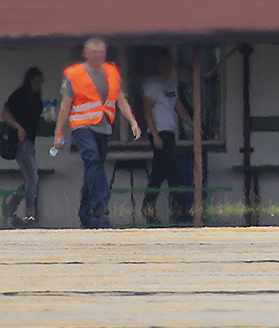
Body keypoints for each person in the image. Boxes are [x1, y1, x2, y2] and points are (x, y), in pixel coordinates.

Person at [54, 38, 141, 229]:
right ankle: (100, 207)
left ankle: (85, 213)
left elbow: (121, 99)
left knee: (93, 168)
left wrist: (132, 121)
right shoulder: (73, 74)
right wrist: (59, 132)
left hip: (104, 127)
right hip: (82, 126)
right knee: (93, 160)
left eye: (101, 52)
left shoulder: (111, 72)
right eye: (94, 52)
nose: (98, 55)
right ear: (85, 53)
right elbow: (65, 105)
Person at [141, 51, 194, 224]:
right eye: (163, 63)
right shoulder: (152, 84)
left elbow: (178, 108)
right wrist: (155, 135)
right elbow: (147, 110)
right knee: (173, 171)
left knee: (158, 173)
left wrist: (195, 126)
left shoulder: (171, 84)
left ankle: (147, 207)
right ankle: (184, 208)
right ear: (158, 64)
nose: (166, 66)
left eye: (169, 63)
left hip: (170, 132)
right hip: (159, 132)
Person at [2, 67, 44, 227]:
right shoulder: (19, 95)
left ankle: (11, 207)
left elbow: (33, 117)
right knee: (33, 177)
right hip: (19, 142)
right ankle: (30, 213)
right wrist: (18, 127)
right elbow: (5, 114)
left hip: (30, 142)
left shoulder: (36, 98)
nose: (38, 85)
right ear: (29, 81)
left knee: (30, 179)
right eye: (35, 82)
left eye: (40, 82)